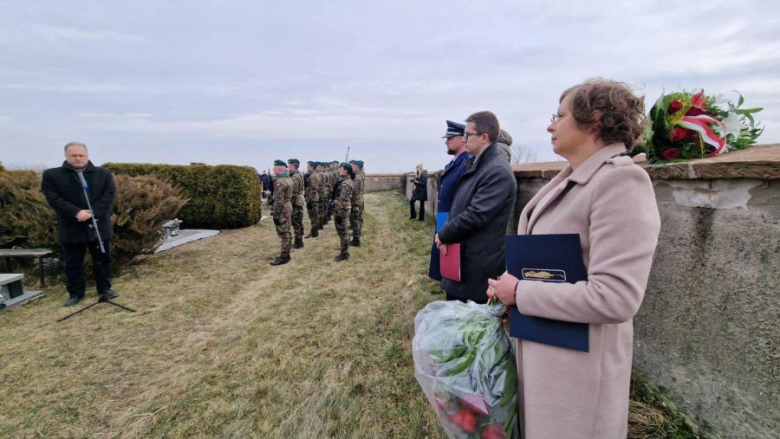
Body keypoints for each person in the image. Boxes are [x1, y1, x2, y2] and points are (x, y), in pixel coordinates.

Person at [488, 79, 661, 438]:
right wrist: (512, 296)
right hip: (549, 353)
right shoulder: (574, 178)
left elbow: (615, 298)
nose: (550, 125)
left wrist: (520, 293)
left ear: (594, 117)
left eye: (560, 115)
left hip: (577, 375)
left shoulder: (621, 183)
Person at [435, 111, 516, 303]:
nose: (464, 139)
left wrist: (444, 234)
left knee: (467, 325)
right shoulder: (479, 164)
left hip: (478, 264)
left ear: (484, 137)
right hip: (465, 258)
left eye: (468, 134)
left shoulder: (496, 170)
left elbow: (476, 214)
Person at [41, 142, 119, 307]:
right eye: (73, 155)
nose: (78, 158)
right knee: (73, 263)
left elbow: (109, 194)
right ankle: (76, 293)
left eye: (81, 155)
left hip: (99, 226)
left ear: (87, 155)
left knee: (103, 260)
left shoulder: (103, 174)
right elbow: (53, 198)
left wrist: (92, 212)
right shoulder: (52, 175)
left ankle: (105, 289)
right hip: (72, 226)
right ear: (66, 156)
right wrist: (76, 212)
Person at [428, 120, 472, 281]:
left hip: (453, 221)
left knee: (454, 269)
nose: (446, 141)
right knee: (445, 265)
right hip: (444, 219)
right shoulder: (454, 163)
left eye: (450, 137)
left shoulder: (466, 163)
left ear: (463, 139)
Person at [270, 160, 294, 266]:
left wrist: (275, 213)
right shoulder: (288, 178)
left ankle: (284, 256)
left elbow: (279, 200)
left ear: (280, 168)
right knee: (286, 231)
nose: (273, 169)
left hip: (282, 209)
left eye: (274, 167)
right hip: (287, 206)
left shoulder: (281, 182)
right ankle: (286, 254)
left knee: (284, 233)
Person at [332, 163, 355, 261]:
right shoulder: (342, 180)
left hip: (342, 209)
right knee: (342, 232)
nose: (339, 170)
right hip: (340, 208)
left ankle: (344, 254)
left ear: (345, 170)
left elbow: (343, 199)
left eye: (340, 168)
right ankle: (344, 251)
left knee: (343, 232)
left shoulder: (346, 183)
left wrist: (336, 206)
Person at [287, 158, 305, 249]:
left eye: (289, 165)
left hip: (296, 203)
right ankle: (299, 241)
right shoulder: (298, 174)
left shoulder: (295, 176)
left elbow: (294, 192)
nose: (288, 167)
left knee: (296, 222)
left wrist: (290, 203)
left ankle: (298, 242)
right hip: (298, 201)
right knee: (298, 222)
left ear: (292, 166)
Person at [348, 160, 365, 246]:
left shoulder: (357, 177)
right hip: (359, 200)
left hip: (355, 201)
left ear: (356, 167)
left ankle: (356, 240)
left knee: (355, 220)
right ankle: (357, 235)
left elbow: (353, 190)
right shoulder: (360, 175)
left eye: (353, 166)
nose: (351, 167)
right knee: (358, 219)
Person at [304, 161, 321, 239]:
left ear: (311, 167)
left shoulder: (313, 176)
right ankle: (315, 232)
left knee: (313, 216)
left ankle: (314, 233)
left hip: (312, 199)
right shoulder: (315, 175)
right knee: (314, 216)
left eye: (308, 166)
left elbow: (313, 189)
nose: (307, 167)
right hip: (314, 198)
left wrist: (310, 200)